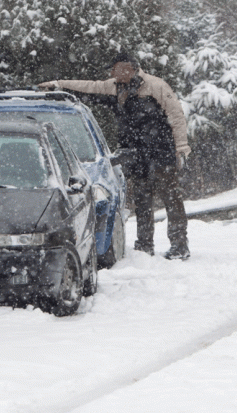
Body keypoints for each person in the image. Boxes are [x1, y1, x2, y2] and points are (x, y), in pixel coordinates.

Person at [39, 52, 191, 260]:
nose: (113, 74)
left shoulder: (156, 86)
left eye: (117, 69)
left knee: (171, 198)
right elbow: (90, 86)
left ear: (130, 68)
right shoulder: (114, 87)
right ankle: (144, 244)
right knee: (142, 199)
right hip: (136, 153)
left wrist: (181, 148)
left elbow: (176, 116)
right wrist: (59, 84)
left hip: (162, 151)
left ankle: (180, 245)